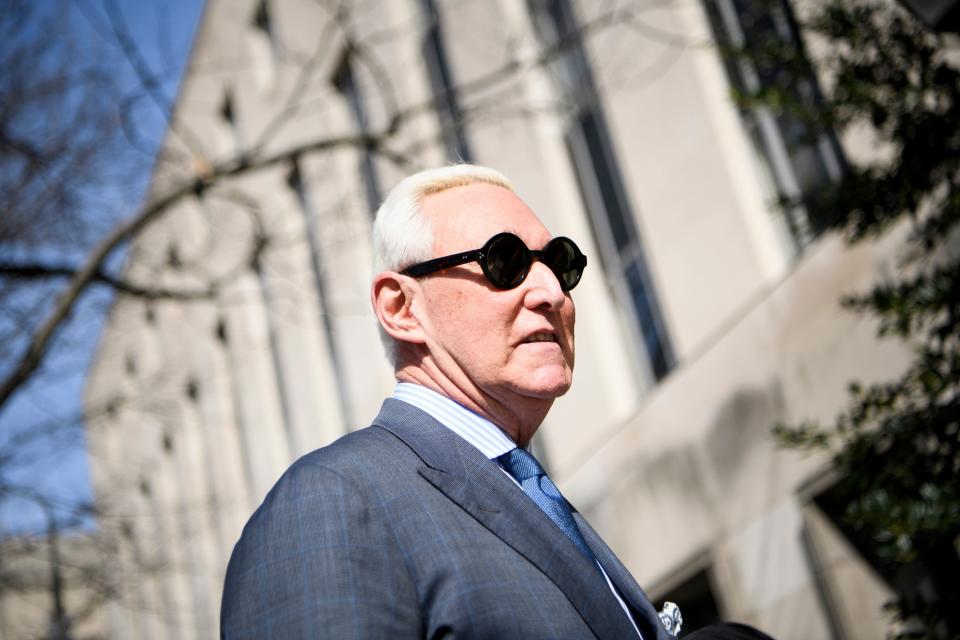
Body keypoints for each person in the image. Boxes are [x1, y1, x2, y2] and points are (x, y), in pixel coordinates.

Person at [221, 164, 675, 638]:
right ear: (402, 308)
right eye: (505, 261)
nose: (551, 292)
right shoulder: (331, 503)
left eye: (559, 263)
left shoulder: (531, 493)